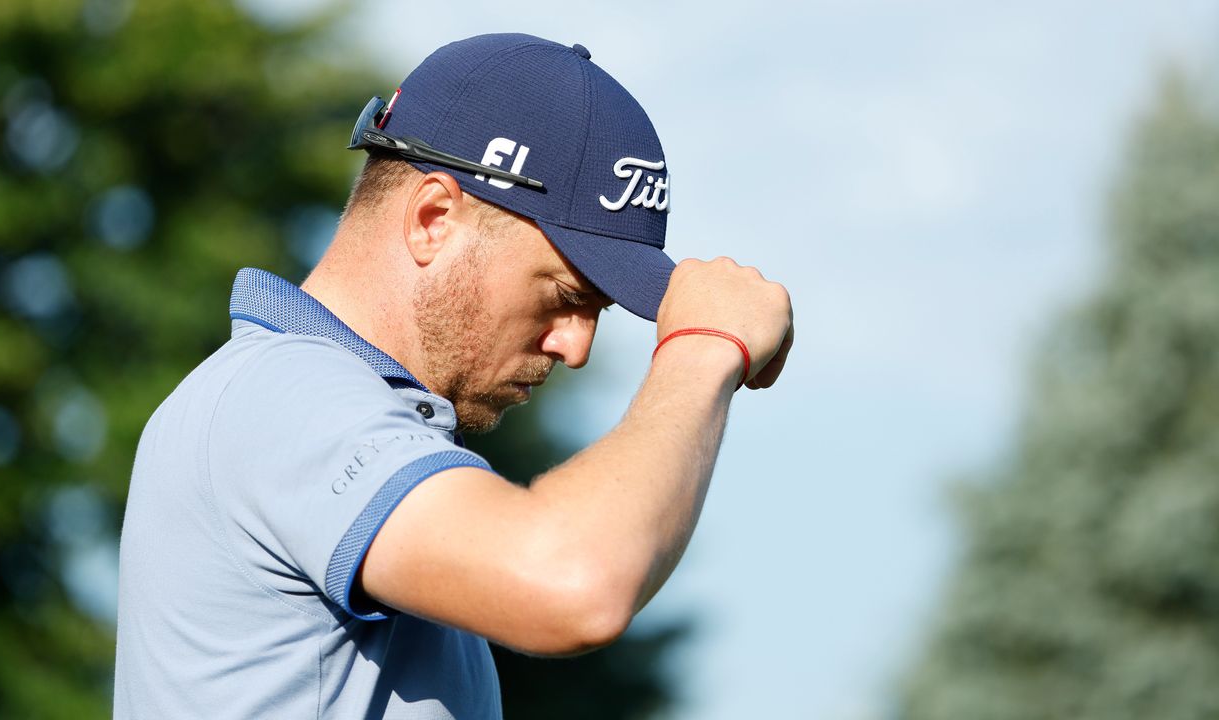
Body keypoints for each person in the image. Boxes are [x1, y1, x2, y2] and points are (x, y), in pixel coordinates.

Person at [114, 33, 792, 719]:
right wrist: (704, 346)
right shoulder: (283, 396)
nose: (576, 346)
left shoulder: (326, 411)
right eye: (563, 296)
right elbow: (572, 582)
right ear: (434, 220)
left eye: (598, 311)